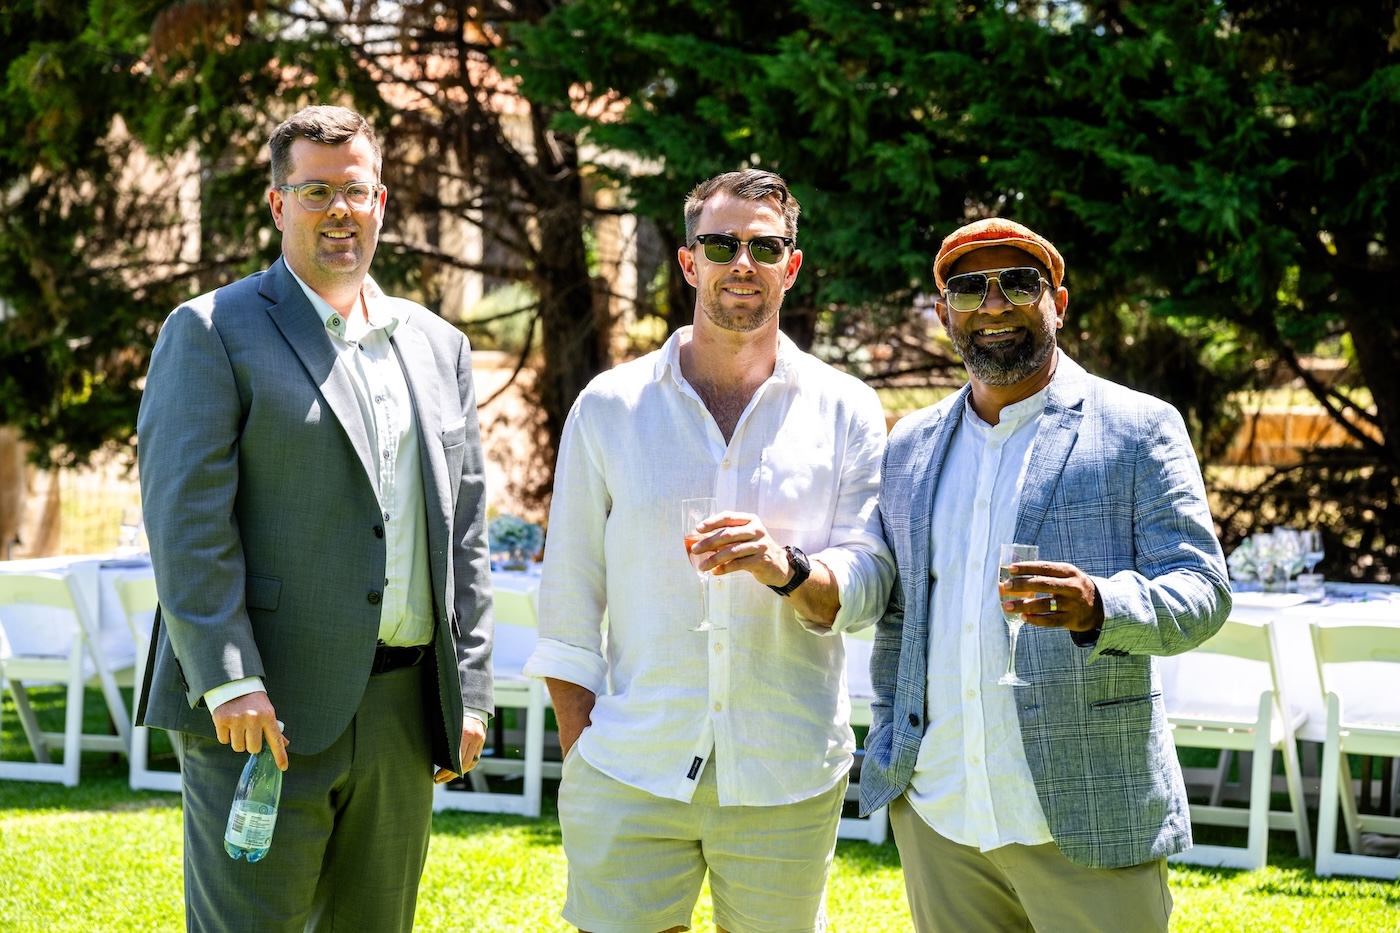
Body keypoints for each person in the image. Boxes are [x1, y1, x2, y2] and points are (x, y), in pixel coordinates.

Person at [136, 105, 494, 933]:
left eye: (356, 190)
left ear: (381, 203)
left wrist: (469, 691)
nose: (340, 210)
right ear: (277, 203)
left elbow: (466, 532)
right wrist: (230, 677)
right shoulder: (211, 331)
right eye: (315, 191)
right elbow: (188, 528)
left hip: (403, 714)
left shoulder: (437, 345)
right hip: (264, 713)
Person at [524, 170, 895, 933]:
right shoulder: (610, 406)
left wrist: (784, 567)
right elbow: (568, 595)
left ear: (792, 265)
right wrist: (581, 746)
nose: (742, 263)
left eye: (765, 247)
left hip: (786, 771)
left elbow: (867, 584)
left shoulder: (847, 408)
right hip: (631, 763)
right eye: (721, 245)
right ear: (689, 262)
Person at [859, 217, 1232, 932]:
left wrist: (1101, 605)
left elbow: (1202, 590)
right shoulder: (910, 444)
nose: (994, 304)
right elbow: (901, 615)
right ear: (944, 313)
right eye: (969, 289)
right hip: (942, 811)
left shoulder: (1138, 428)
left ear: (1057, 301)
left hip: (1086, 809)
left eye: (1018, 283)